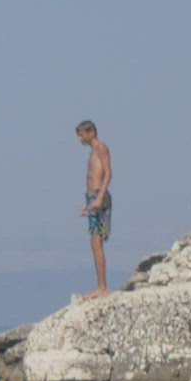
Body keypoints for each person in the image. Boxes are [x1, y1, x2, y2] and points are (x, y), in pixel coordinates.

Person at [77, 120, 113, 300]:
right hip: (93, 197)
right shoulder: (92, 151)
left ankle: (103, 287)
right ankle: (101, 285)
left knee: (96, 240)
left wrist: (99, 198)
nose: (80, 139)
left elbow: (108, 174)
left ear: (91, 132)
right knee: (94, 241)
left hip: (100, 196)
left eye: (81, 135)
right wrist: (89, 202)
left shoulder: (101, 148)